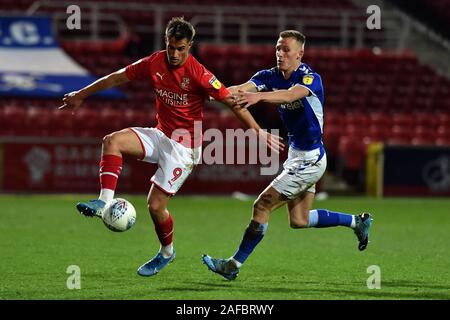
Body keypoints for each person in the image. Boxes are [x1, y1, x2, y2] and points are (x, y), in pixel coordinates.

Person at [59, 17, 283, 277]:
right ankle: (103, 203)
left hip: (184, 149)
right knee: (113, 141)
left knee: (155, 206)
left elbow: (232, 102)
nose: (175, 54)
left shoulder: (200, 74)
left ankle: (167, 253)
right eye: (171, 47)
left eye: (181, 49)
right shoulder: (154, 62)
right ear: (166, 42)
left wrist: (258, 131)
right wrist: (80, 95)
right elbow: (117, 78)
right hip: (161, 134)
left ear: (190, 46)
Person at [202, 30, 373, 280]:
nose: (280, 54)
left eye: (286, 50)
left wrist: (258, 96)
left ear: (300, 54)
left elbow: (291, 94)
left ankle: (233, 266)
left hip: (311, 159)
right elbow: (239, 89)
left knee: (262, 205)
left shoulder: (311, 79)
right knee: (300, 220)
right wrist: (213, 93)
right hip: (297, 155)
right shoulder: (268, 76)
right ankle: (357, 222)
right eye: (278, 49)